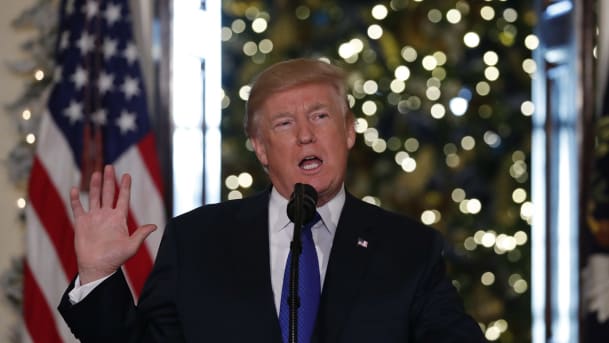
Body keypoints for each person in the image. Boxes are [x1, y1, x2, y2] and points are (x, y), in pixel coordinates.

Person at [58, 58, 486, 342]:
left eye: (320, 116)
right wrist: (97, 275)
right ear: (261, 149)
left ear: (349, 131)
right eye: (284, 123)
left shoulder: (409, 249)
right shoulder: (198, 240)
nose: (305, 134)